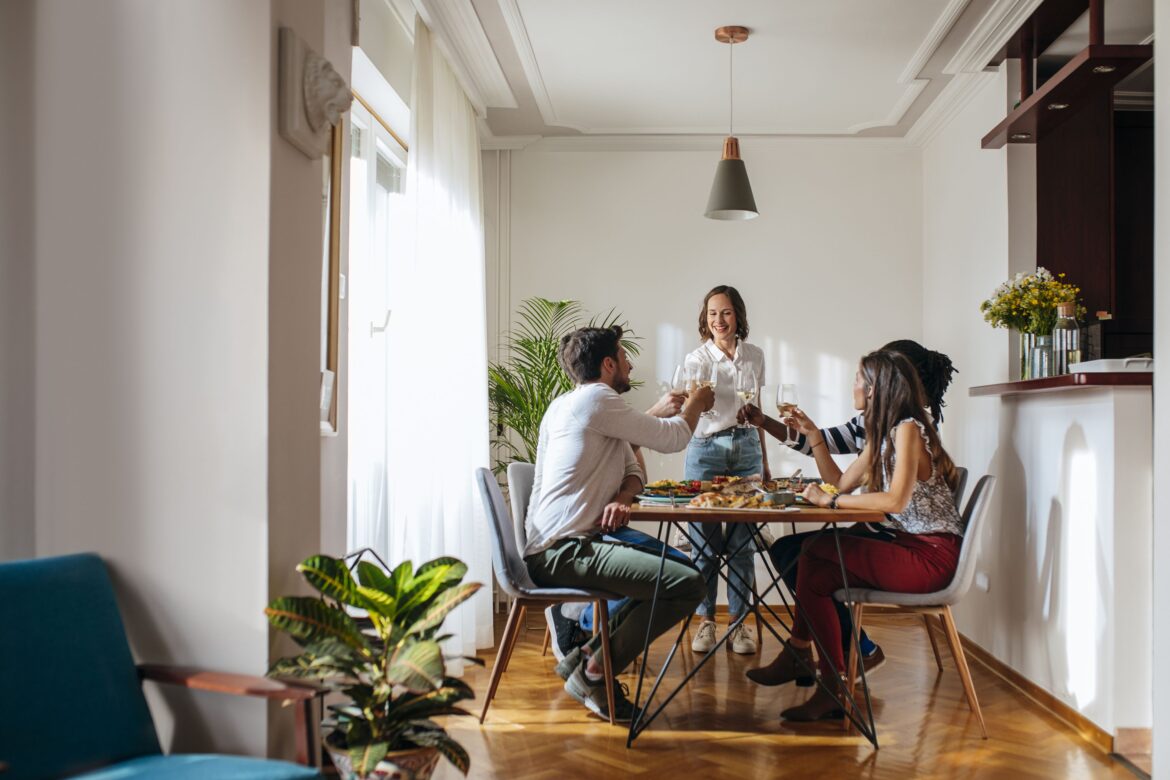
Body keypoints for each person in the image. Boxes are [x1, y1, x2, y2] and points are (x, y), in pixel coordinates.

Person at [746, 350, 964, 722]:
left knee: (815, 551)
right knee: (813, 570)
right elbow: (838, 483)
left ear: (876, 388)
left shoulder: (908, 428)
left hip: (930, 556)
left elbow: (896, 500)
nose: (853, 386)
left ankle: (815, 668)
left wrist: (832, 505)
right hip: (909, 545)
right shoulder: (884, 432)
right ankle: (830, 681)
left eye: (858, 379)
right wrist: (814, 437)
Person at [524, 325, 712, 723]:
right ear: (608, 364)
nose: (629, 364)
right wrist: (697, 402)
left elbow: (632, 468)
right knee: (687, 582)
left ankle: (591, 664)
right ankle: (593, 671)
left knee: (678, 573)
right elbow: (675, 438)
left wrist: (625, 494)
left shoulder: (569, 404)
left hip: (570, 544)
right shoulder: (598, 400)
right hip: (564, 550)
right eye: (624, 357)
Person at [683, 285, 769, 656]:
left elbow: (758, 407)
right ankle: (705, 622)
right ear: (705, 318)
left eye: (727, 312)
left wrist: (765, 461)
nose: (719, 320)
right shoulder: (695, 359)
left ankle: (739, 625)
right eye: (713, 313)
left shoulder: (755, 355)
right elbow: (689, 409)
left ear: (739, 316)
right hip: (705, 450)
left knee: (742, 544)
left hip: (747, 447)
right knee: (703, 543)